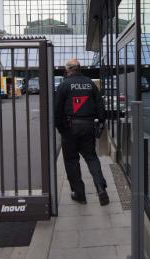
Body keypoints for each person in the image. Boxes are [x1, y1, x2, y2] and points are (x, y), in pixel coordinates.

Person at [55, 59, 109, 206]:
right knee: (91, 157)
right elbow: (100, 105)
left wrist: (61, 128)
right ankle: (100, 188)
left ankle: (79, 194)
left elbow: (57, 110)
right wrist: (101, 123)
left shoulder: (63, 85)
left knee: (72, 161)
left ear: (67, 70)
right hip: (88, 127)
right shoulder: (90, 84)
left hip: (70, 128)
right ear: (80, 69)